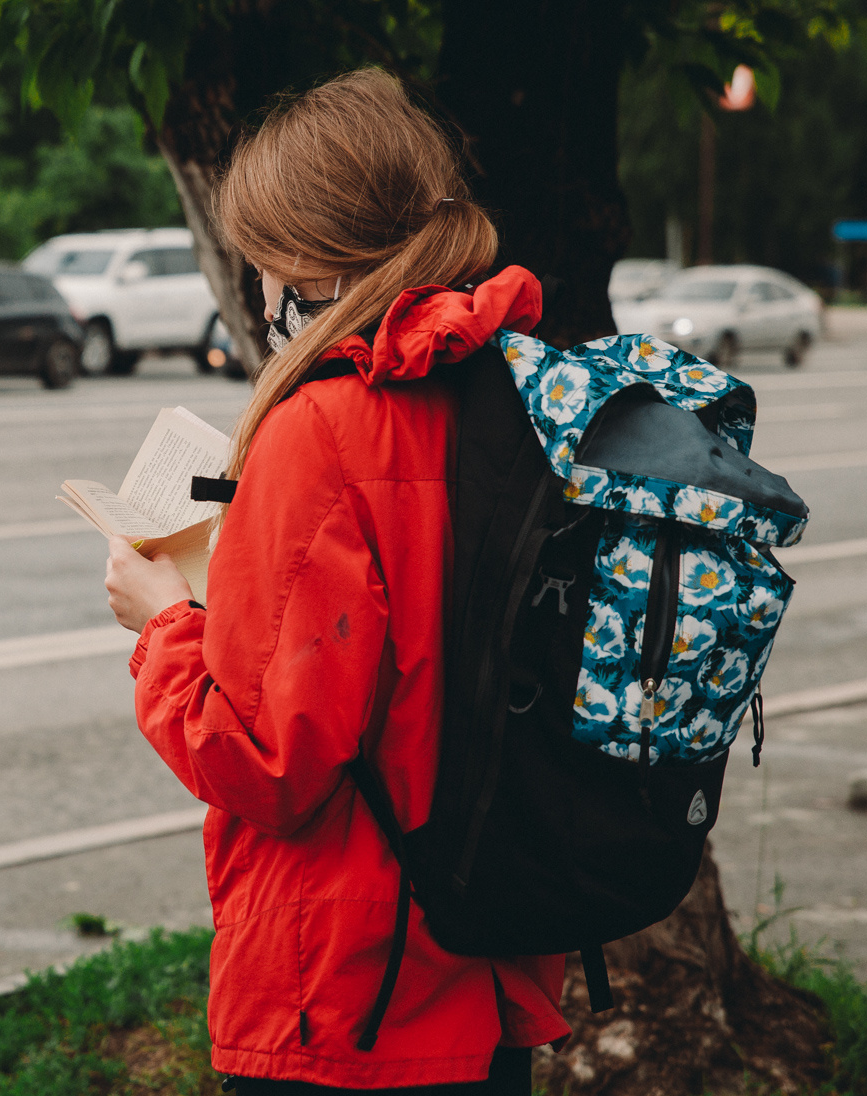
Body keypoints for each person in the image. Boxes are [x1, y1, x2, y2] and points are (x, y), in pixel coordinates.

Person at [103, 69, 568, 1094]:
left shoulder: (321, 427)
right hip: (490, 961)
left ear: (304, 257)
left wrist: (169, 622)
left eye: (260, 254)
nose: (257, 281)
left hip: (348, 993)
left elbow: (270, 763)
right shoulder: (519, 386)